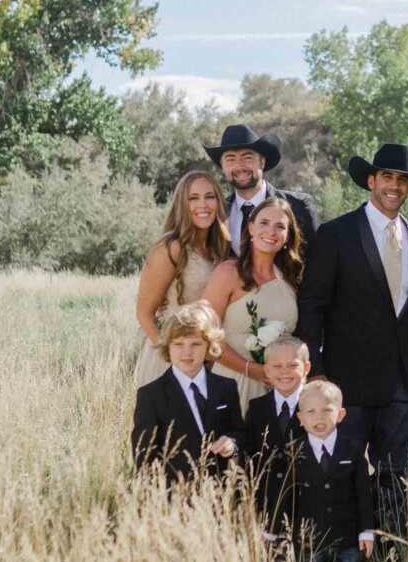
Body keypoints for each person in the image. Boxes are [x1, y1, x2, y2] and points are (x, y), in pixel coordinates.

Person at [296, 143, 408, 546]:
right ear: (371, 181)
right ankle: (340, 556)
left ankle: (388, 558)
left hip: (402, 382)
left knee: (395, 474)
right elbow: (312, 305)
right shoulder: (336, 234)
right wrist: (315, 372)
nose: (394, 185)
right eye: (386, 177)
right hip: (346, 381)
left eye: (402, 179)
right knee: (343, 470)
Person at [201, 197, 303, 411]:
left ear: (287, 237)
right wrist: (251, 369)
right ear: (251, 228)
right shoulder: (228, 273)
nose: (271, 231)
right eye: (264, 223)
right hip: (233, 382)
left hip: (282, 387)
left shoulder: (292, 277)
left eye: (280, 227)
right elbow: (205, 334)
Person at [133, 171, 230, 387]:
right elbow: (144, 314)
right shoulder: (171, 248)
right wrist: (175, 360)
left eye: (209, 197)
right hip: (172, 359)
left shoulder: (221, 249)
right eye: (193, 198)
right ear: (182, 205)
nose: (202, 205)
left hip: (210, 358)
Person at [130, 301, 243, 486]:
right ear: (168, 346)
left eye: (196, 344)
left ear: (209, 346)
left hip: (218, 494)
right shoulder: (151, 395)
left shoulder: (226, 388)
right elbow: (143, 458)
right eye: (179, 344)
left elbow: (239, 432)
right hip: (172, 496)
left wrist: (232, 443)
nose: (187, 352)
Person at [293, 380, 374, 562]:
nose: (319, 417)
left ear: (340, 414)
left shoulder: (352, 448)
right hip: (311, 535)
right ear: (300, 418)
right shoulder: (294, 451)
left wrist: (366, 531)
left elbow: (363, 493)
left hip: (347, 532)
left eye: (327, 410)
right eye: (311, 412)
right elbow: (288, 496)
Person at [204, 123, 321, 256]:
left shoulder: (299, 206)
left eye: (247, 157)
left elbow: (319, 261)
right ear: (223, 167)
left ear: (262, 162)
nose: (239, 166)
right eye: (230, 159)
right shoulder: (217, 213)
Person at [243, 336, 311, 541]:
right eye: (277, 366)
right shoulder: (257, 408)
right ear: (267, 371)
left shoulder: (316, 405)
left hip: (306, 508)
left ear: (306, 368)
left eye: (292, 365)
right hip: (266, 506)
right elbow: (250, 452)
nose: (284, 371)